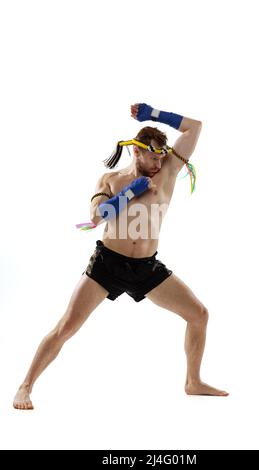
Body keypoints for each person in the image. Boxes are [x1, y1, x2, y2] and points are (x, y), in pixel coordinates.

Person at [13, 103, 228, 410]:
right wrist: (131, 192)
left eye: (161, 156)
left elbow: (195, 127)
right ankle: (25, 386)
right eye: (152, 156)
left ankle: (193, 382)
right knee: (67, 326)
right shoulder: (111, 180)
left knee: (199, 315)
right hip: (108, 264)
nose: (158, 162)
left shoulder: (167, 171)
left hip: (147, 267)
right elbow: (97, 216)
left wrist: (154, 114)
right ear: (136, 152)